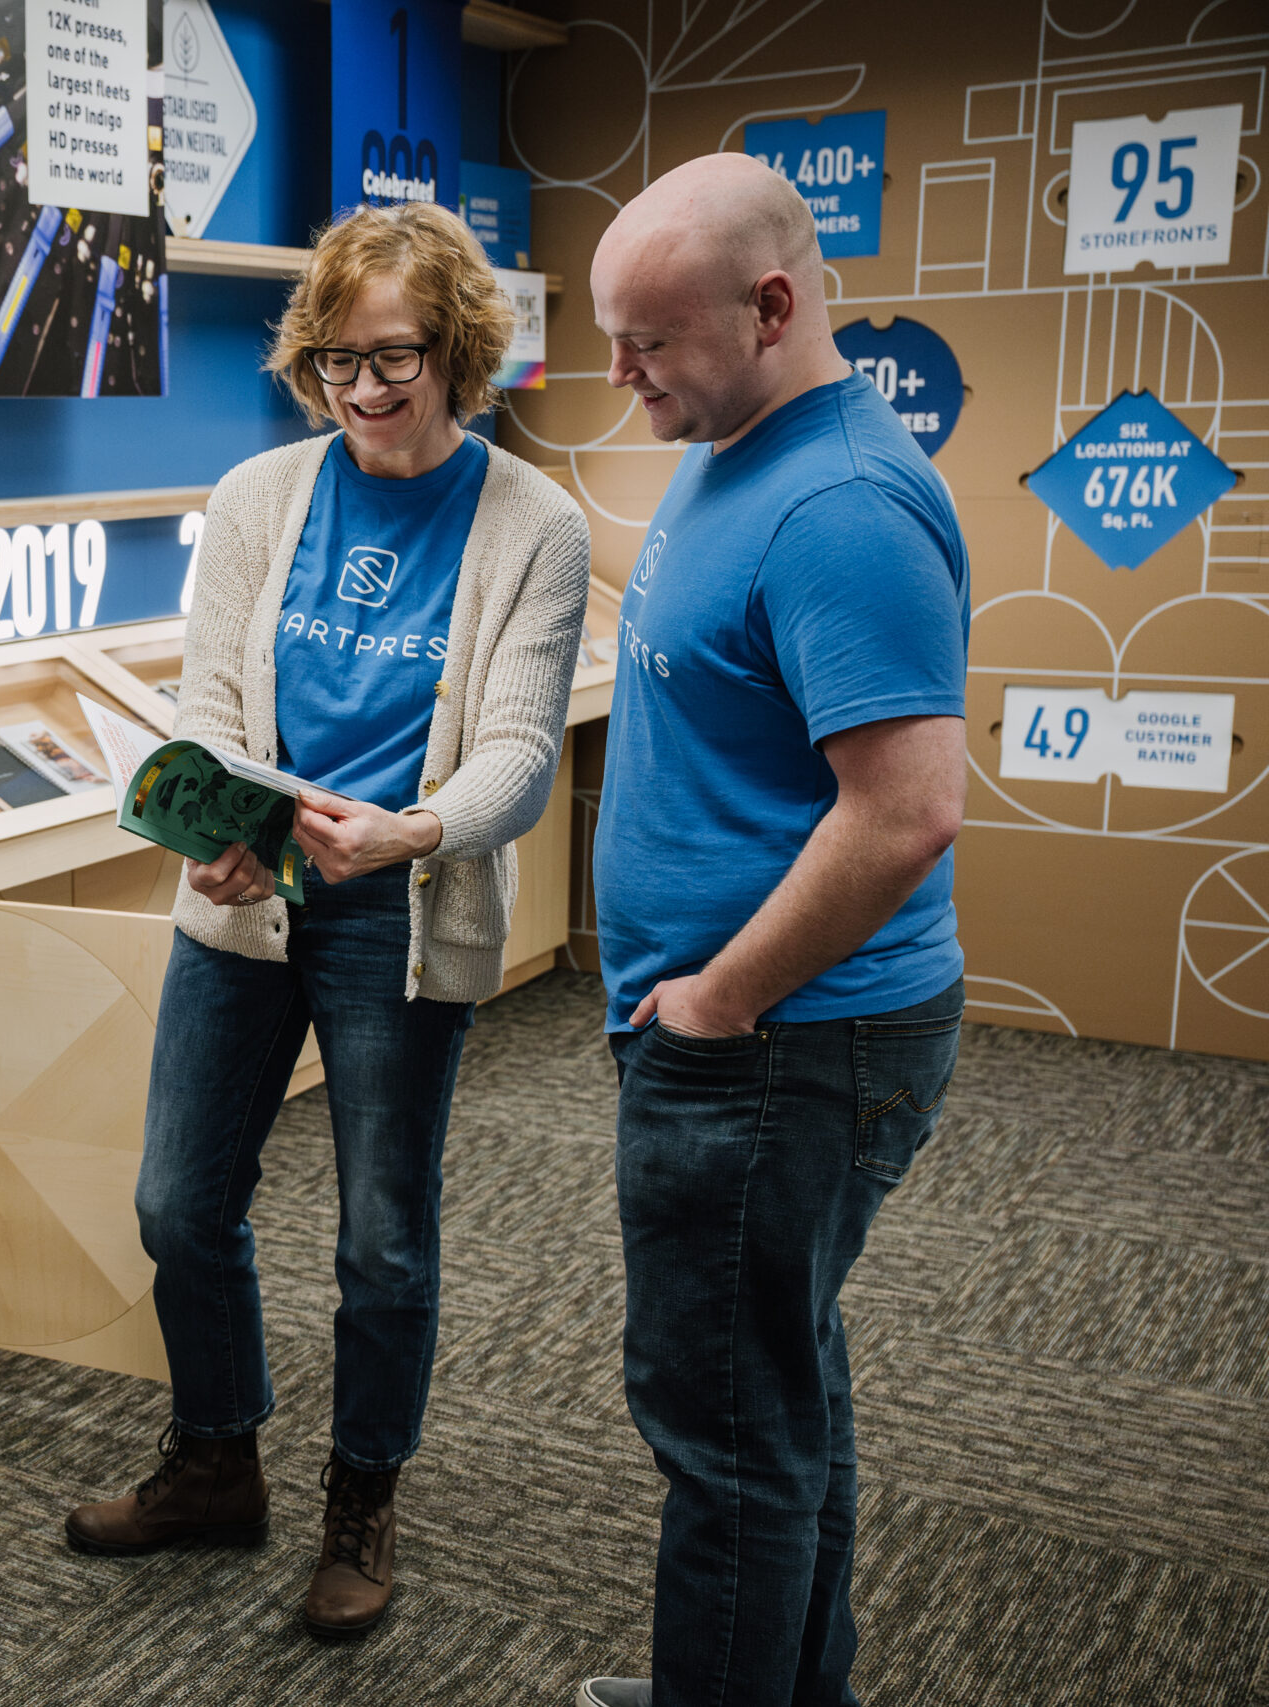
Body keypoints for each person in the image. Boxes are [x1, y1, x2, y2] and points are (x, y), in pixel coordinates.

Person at [62, 199, 591, 1639]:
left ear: (461, 351)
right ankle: (218, 1461)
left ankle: (365, 1495)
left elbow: (519, 754)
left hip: (400, 909)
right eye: (336, 364)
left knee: (381, 1241)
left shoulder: (536, 524)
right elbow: (210, 700)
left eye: (396, 358)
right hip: (251, 904)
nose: (365, 392)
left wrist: (413, 831)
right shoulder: (257, 497)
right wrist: (224, 832)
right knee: (180, 1205)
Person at [576, 155, 971, 1707]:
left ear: (775, 306)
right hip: (763, 1040)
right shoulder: (733, 441)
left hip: (781, 1047)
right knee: (779, 1393)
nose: (621, 378)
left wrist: (718, 1003)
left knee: (726, 1436)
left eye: (651, 343)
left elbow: (904, 815)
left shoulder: (842, 505)